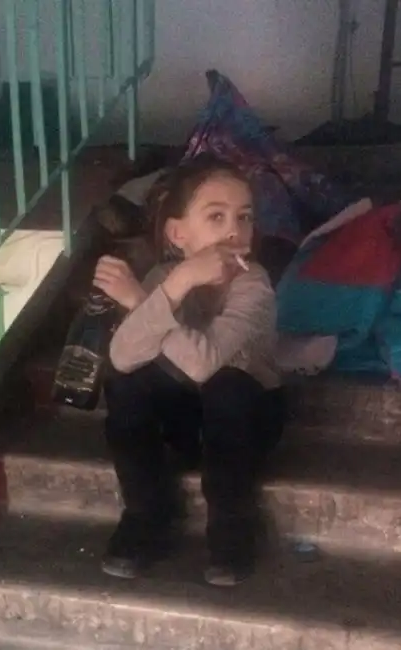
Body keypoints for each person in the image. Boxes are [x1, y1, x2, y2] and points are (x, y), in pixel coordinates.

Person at [93, 154, 285, 587]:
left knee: (227, 384)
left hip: (247, 419)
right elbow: (123, 357)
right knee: (126, 383)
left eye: (244, 217)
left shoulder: (253, 284)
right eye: (216, 217)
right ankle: (146, 514)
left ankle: (232, 523)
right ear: (178, 234)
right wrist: (170, 288)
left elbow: (203, 363)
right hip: (189, 419)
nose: (234, 231)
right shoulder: (164, 276)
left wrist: (144, 301)